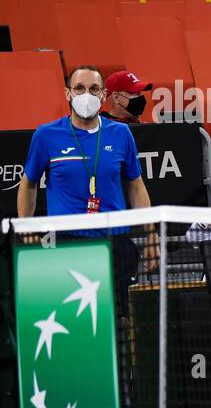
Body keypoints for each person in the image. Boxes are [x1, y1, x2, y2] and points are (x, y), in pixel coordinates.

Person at [17, 66, 156, 297]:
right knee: (73, 320)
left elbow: (136, 185)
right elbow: (28, 183)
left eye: (93, 89)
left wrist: (151, 234)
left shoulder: (121, 134)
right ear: (68, 93)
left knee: (116, 320)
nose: (86, 95)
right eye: (79, 88)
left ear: (103, 95)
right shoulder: (46, 135)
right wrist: (24, 228)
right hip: (65, 240)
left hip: (114, 240)